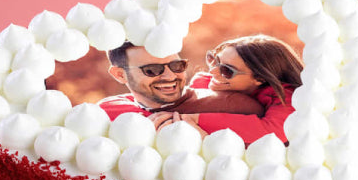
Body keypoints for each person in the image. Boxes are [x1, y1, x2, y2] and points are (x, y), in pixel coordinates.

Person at [151, 35, 303, 144]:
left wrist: (195, 119)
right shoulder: (204, 83)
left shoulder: (286, 96)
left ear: (260, 79)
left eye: (226, 70)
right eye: (214, 60)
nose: (213, 71)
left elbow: (273, 132)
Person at [99, 41, 264, 120]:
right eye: (152, 70)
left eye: (176, 66)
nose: (170, 76)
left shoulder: (233, 106)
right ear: (120, 75)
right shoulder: (106, 111)